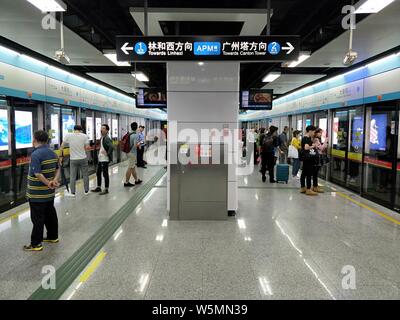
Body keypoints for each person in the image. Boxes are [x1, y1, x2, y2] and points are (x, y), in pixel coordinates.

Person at [24, 130, 60, 251]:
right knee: (50, 215)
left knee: (37, 219)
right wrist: (54, 180)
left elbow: (37, 174)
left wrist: (48, 183)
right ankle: (52, 236)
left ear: (34, 140)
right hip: (49, 194)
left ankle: (36, 243)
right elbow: (58, 168)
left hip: (37, 195)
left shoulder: (35, 155)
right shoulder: (53, 153)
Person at [60, 125, 90, 197]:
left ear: (74, 129)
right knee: (85, 175)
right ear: (81, 130)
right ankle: (86, 191)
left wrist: (61, 156)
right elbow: (87, 147)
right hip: (83, 158)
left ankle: (72, 193)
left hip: (73, 159)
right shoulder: (84, 136)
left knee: (73, 176)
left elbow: (61, 146)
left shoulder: (68, 135)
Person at [91, 124, 114, 195]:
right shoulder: (102, 137)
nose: (102, 129)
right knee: (98, 173)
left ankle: (106, 188)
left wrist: (107, 153)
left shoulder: (107, 138)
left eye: (104, 128)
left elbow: (111, 146)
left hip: (104, 159)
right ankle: (98, 187)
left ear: (107, 130)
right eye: (101, 128)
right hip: (100, 158)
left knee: (105, 174)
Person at [300, 125, 319, 196]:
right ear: (310, 131)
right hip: (308, 158)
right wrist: (314, 146)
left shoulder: (305, 138)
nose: (314, 133)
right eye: (313, 132)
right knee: (308, 173)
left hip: (305, 158)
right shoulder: (306, 138)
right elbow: (306, 147)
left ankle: (303, 187)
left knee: (304, 172)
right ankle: (308, 189)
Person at [124, 122, 143, 187]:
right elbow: (135, 145)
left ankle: (136, 180)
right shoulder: (135, 135)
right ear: (137, 127)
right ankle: (126, 182)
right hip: (132, 153)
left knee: (133, 167)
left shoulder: (129, 133)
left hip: (128, 152)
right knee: (130, 167)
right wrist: (140, 143)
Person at [312, 128, 329, 193]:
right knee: (315, 172)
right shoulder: (316, 139)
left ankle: (315, 185)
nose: (321, 134)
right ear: (316, 133)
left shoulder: (317, 139)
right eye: (320, 133)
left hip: (317, 157)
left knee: (315, 172)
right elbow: (321, 148)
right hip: (316, 157)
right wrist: (325, 141)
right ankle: (315, 186)